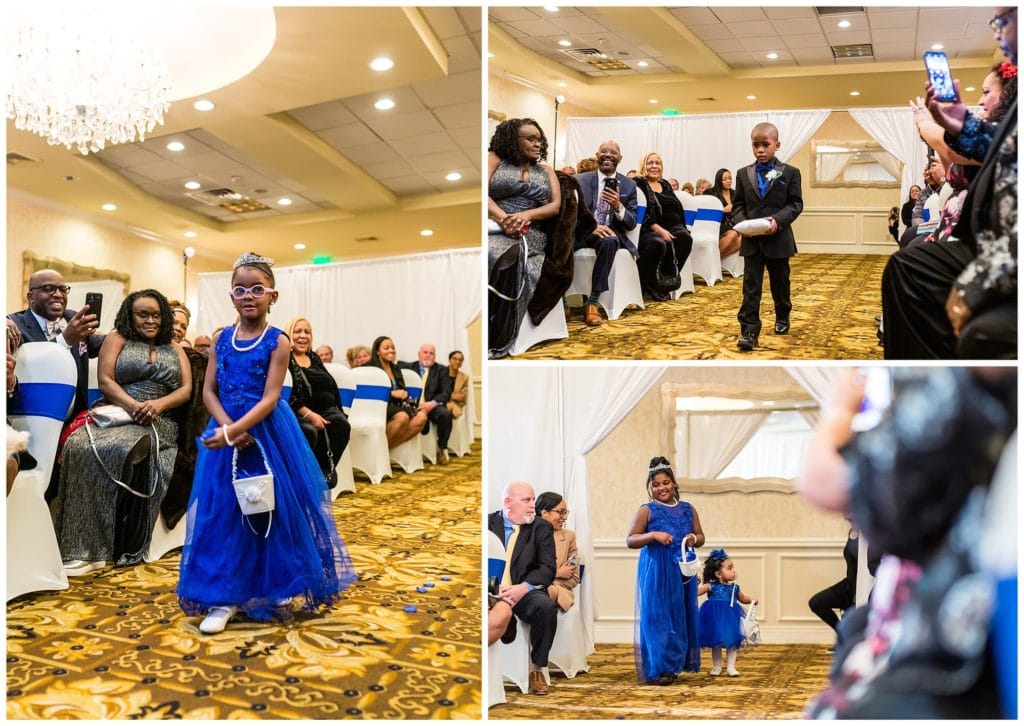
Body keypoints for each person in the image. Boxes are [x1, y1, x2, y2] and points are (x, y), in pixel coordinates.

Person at [797, 367, 1015, 718]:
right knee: (855, 625)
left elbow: (823, 482)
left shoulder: (958, 395)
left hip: (945, 651)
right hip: (981, 634)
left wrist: (838, 411)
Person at [177, 252, 356, 634]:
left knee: (266, 509)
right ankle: (223, 596)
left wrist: (239, 428)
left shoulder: (278, 341)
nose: (248, 296)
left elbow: (271, 397)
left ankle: (269, 588)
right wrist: (228, 429)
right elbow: (209, 391)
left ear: (272, 296)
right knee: (221, 512)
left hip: (268, 432)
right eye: (240, 289)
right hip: (228, 432)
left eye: (257, 289)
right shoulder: (222, 338)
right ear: (230, 296)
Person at [52, 289, 191, 574]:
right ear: (130, 315)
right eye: (143, 314)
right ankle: (84, 548)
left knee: (121, 448)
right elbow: (105, 381)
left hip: (158, 420)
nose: (150, 320)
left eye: (156, 314)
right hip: (117, 410)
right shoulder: (117, 339)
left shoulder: (174, 347)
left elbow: (186, 390)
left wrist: (157, 405)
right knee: (80, 446)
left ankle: (110, 544)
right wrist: (132, 405)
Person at [487, 118, 561, 357]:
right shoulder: (495, 160)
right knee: (490, 251)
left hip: (532, 231)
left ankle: (499, 335)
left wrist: (525, 216)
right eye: (531, 138)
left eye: (540, 139)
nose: (537, 144)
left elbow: (555, 206)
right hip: (495, 224)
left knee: (515, 256)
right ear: (513, 140)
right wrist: (503, 218)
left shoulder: (547, 170)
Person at [627, 456, 704, 685]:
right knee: (658, 617)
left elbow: (701, 536)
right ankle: (661, 667)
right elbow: (631, 539)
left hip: (683, 569)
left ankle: (676, 663)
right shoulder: (646, 510)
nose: (662, 487)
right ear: (650, 488)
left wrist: (693, 538)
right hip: (657, 570)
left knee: (681, 615)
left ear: (674, 484)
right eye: (656, 484)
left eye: (666, 482)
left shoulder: (688, 509)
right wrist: (652, 535)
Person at [731, 122, 804, 351]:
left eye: (765, 145)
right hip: (752, 240)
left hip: (778, 238)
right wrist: (742, 222)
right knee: (750, 286)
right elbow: (738, 205)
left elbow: (796, 204)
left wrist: (778, 220)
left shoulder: (790, 172)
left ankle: (783, 314)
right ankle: (749, 330)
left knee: (780, 283)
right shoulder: (743, 173)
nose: (760, 150)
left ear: (777, 145)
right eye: (755, 145)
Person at [487, 481, 558, 696]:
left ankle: (537, 669)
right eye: (526, 500)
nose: (532, 506)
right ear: (508, 502)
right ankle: (506, 622)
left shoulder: (541, 527)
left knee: (545, 607)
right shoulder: (487, 523)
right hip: (491, 590)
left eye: (533, 500)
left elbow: (547, 568)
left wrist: (523, 588)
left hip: (523, 590)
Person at [8, 269, 102, 419]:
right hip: (34, 418)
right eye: (49, 289)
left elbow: (102, 344)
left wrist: (124, 330)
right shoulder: (14, 325)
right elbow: (35, 367)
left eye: (63, 289)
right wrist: (65, 340)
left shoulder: (73, 317)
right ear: (31, 297)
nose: (58, 294)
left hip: (76, 419)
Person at [572, 139, 639, 326]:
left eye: (613, 152)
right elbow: (571, 212)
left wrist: (618, 206)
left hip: (608, 234)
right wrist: (591, 226)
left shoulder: (629, 185)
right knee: (559, 241)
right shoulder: (580, 180)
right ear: (597, 156)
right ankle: (561, 300)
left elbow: (631, 222)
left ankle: (592, 302)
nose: (608, 154)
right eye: (604, 151)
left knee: (610, 240)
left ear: (620, 158)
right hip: (582, 231)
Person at [162, 300, 210, 530]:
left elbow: (197, 414)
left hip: (172, 424)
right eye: (174, 322)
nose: (179, 328)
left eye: (184, 325)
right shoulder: (135, 347)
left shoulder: (194, 360)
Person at [286, 317, 351, 488]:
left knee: (342, 425)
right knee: (313, 429)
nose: (303, 336)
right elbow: (288, 394)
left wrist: (341, 413)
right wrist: (309, 414)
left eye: (307, 332)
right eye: (297, 331)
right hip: (301, 413)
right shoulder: (285, 358)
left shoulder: (313, 357)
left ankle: (321, 475)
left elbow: (332, 387)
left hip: (326, 410)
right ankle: (311, 479)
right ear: (289, 334)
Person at [634, 151, 693, 301]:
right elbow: (640, 210)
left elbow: (677, 208)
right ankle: (652, 284)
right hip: (649, 228)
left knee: (685, 238)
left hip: (674, 227)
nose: (654, 166)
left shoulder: (665, 184)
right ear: (643, 165)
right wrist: (658, 229)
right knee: (659, 242)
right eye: (650, 163)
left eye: (657, 163)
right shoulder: (639, 183)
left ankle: (663, 281)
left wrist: (683, 228)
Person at [808, 524, 883, 641]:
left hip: (861, 588)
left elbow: (869, 566)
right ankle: (844, 636)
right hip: (848, 586)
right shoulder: (852, 532)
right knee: (816, 602)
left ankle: (847, 638)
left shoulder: (867, 535)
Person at [697, 548, 757, 677]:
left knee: (732, 641)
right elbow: (697, 592)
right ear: (718, 574)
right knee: (716, 642)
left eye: (733, 567)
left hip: (731, 617)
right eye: (729, 568)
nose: (733, 570)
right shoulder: (710, 585)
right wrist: (694, 584)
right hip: (713, 617)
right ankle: (717, 666)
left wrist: (751, 600)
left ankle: (731, 667)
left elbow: (743, 598)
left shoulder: (735, 587)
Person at [367, 336, 426, 447]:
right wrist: (391, 394)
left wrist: (403, 393)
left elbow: (401, 389)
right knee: (402, 417)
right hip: (379, 406)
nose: (391, 350)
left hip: (396, 405)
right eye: (386, 348)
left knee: (421, 417)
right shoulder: (370, 369)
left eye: (393, 347)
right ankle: (381, 451)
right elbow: (367, 393)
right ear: (377, 352)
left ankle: (385, 450)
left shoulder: (396, 369)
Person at [400, 343, 453, 465]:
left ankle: (442, 447)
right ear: (419, 354)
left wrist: (432, 404)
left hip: (432, 406)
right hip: (411, 405)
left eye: (431, 353)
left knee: (445, 414)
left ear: (435, 356)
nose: (428, 356)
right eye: (425, 352)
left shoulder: (442, 370)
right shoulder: (407, 368)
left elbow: (446, 393)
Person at [535, 491, 579, 612]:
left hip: (558, 592)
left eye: (565, 512)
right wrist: (556, 573)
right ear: (544, 512)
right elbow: (523, 574)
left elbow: (574, 577)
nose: (564, 517)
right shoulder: (526, 534)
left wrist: (551, 586)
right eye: (560, 512)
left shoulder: (569, 537)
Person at [708, 168, 742, 259]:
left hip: (732, 223)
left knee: (744, 238)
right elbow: (707, 212)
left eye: (730, 178)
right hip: (716, 223)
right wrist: (723, 210)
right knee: (733, 234)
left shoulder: (735, 193)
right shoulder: (710, 192)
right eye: (725, 179)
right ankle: (713, 260)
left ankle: (717, 261)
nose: (728, 181)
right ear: (719, 180)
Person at [445, 350, 469, 419]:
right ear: (449, 360)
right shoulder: (440, 373)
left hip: (456, 409)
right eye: (455, 359)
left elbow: (463, 398)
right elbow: (435, 394)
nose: (457, 362)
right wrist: (452, 396)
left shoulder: (465, 377)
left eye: (460, 360)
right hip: (441, 406)